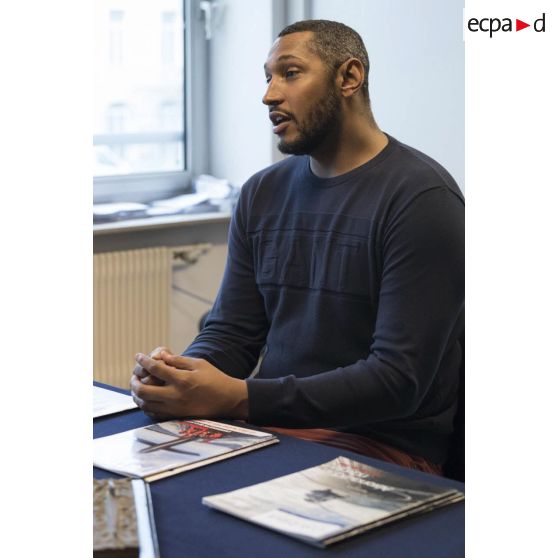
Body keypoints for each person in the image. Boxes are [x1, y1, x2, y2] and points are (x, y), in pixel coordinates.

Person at [131, 20, 464, 475]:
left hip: (381, 445)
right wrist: (182, 377)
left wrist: (240, 397)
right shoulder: (260, 193)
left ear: (348, 78)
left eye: (289, 73)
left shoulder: (421, 200)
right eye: (267, 78)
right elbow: (233, 332)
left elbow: (397, 379)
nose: (270, 95)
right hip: (270, 426)